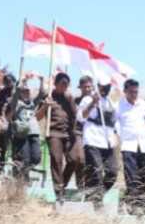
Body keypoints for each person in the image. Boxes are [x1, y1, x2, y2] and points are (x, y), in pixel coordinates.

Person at [36, 72, 77, 203]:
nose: (64, 87)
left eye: (66, 84)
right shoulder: (48, 96)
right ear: (55, 84)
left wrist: (74, 132)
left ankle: (62, 185)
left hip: (67, 133)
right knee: (56, 160)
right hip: (53, 133)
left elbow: (75, 116)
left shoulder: (69, 98)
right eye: (62, 84)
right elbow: (38, 116)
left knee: (73, 159)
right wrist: (45, 106)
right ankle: (58, 192)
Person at [77, 76, 118, 205]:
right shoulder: (88, 99)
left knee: (112, 172)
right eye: (103, 87)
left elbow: (115, 123)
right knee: (96, 172)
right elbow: (81, 117)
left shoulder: (111, 102)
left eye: (107, 87)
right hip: (93, 141)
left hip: (107, 142)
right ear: (98, 86)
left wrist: (116, 136)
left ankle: (96, 195)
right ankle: (96, 202)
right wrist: (93, 102)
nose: (105, 90)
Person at [115, 79, 145, 196]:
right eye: (131, 92)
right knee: (131, 174)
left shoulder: (143, 105)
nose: (134, 94)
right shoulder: (119, 106)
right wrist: (119, 138)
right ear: (125, 91)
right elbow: (115, 124)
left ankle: (143, 196)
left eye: (136, 92)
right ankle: (133, 198)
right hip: (128, 145)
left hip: (143, 145)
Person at [6, 76, 45, 182]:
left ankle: (25, 172)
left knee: (36, 158)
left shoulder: (33, 103)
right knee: (25, 158)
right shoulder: (16, 104)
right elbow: (15, 96)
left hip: (34, 133)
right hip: (22, 134)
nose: (26, 93)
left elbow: (42, 93)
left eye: (27, 91)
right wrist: (21, 83)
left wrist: (41, 81)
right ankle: (22, 178)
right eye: (24, 92)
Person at [0, 73, 16, 171]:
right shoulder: (3, 92)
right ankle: (1, 165)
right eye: (6, 82)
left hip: (15, 122)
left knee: (15, 145)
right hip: (4, 121)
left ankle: (16, 167)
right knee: (2, 145)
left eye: (10, 81)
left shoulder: (17, 92)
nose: (8, 83)